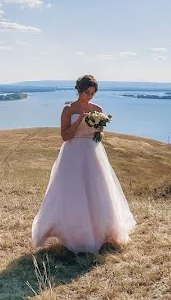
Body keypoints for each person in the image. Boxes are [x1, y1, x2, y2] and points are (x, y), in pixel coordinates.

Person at [31, 75, 136, 253]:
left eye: (93, 93)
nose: (90, 96)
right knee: (72, 192)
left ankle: (100, 232)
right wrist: (79, 120)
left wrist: (98, 132)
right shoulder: (68, 110)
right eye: (87, 92)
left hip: (92, 153)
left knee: (97, 190)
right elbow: (65, 136)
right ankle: (73, 233)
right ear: (79, 90)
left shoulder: (98, 109)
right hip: (72, 153)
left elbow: (100, 134)